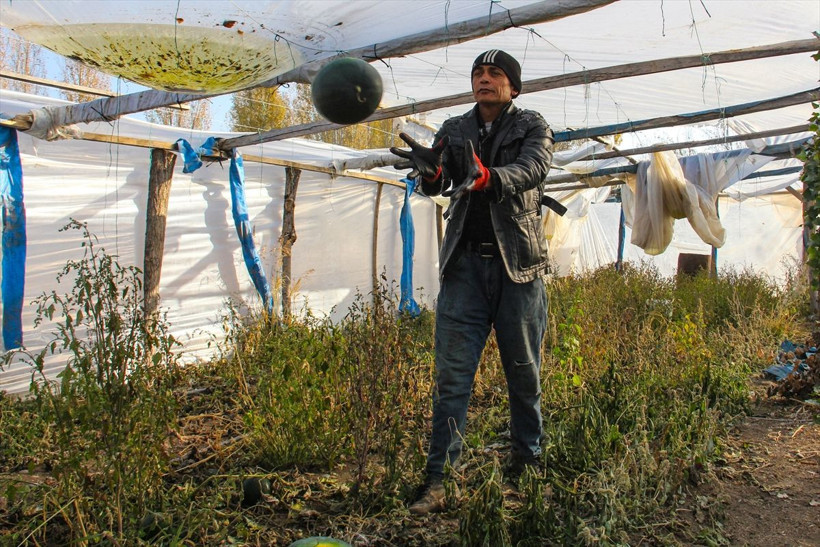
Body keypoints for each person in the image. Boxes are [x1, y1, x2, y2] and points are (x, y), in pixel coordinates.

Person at [391, 49, 554, 515]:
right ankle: (439, 480)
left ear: (513, 86)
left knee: (523, 372)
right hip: (463, 268)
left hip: (518, 268)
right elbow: (438, 180)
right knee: (452, 376)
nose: (485, 80)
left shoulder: (532, 126)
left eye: (495, 73)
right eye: (478, 73)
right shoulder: (455, 129)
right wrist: (429, 173)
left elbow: (533, 169)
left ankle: (527, 463)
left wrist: (489, 177)